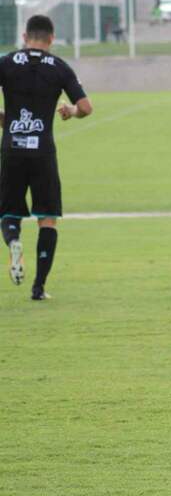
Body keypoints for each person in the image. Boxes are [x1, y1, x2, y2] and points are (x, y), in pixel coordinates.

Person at [0, 15, 93, 300]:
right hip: (43, 152)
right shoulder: (60, 67)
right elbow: (86, 107)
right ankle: (38, 287)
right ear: (51, 39)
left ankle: (14, 240)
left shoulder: (6, 62)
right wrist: (70, 112)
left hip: (12, 149)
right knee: (48, 218)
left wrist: (5, 119)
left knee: (8, 211)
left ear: (25, 37)